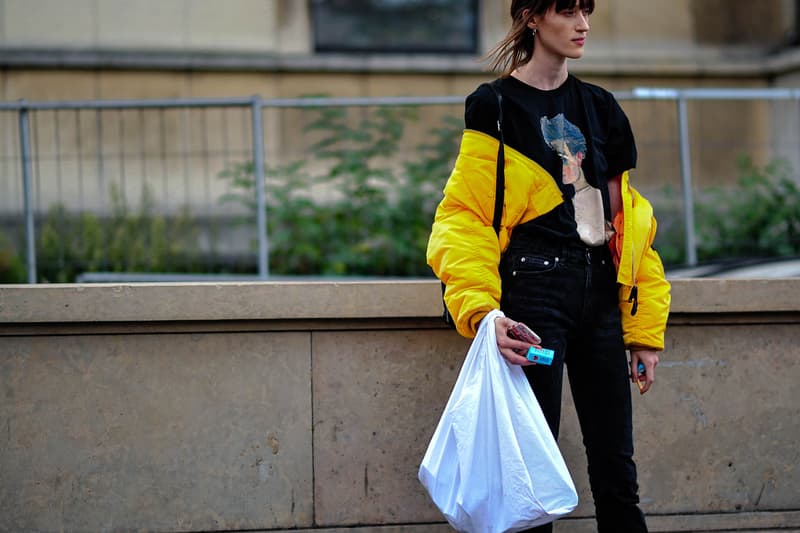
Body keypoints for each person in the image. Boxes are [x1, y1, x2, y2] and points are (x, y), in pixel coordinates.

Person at [426, 0, 671, 531]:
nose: (583, 25)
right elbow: (467, 218)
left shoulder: (602, 107)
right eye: (568, 11)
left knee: (617, 474)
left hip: (601, 299)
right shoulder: (493, 106)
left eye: (587, 10)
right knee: (529, 476)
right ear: (532, 18)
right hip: (534, 299)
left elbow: (629, 226)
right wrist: (484, 313)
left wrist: (644, 330)